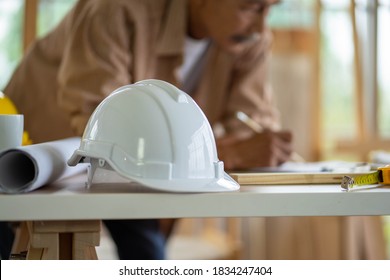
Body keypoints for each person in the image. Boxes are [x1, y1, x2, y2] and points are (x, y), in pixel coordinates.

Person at [1, 0, 386, 260]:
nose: (261, 24)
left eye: (270, 8)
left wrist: (254, 145)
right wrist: (230, 151)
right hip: (32, 155)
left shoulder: (248, 38)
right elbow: (104, 130)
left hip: (132, 171)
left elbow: (253, 121)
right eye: (250, 5)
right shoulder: (116, 9)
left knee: (149, 254)